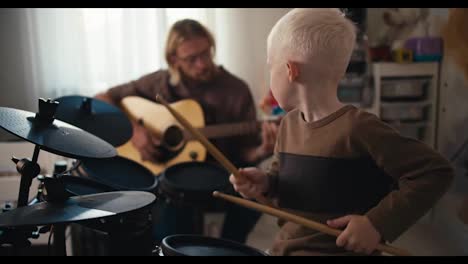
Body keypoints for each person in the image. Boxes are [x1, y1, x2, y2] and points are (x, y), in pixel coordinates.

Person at [230, 8, 455, 256]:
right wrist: (265, 182)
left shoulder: (359, 127)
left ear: (290, 70)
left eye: (270, 66)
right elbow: (288, 182)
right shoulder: (289, 124)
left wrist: (376, 224)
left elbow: (435, 171)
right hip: (284, 249)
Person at [95, 19, 278, 243]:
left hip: (219, 176)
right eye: (192, 59)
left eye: (206, 54)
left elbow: (245, 154)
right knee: (165, 212)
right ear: (174, 59)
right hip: (169, 179)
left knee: (256, 199)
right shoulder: (160, 83)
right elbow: (103, 97)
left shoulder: (236, 90)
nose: (202, 64)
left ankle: (226, 247)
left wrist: (263, 150)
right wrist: (136, 132)